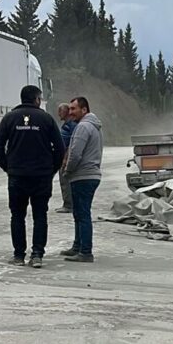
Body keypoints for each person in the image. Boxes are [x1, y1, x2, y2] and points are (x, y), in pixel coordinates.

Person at [0, 85, 64, 268]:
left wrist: (8, 167)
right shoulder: (46, 119)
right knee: (40, 215)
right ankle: (37, 255)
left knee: (17, 215)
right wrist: (51, 170)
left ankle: (18, 255)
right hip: (41, 176)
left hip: (17, 176)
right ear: (36, 99)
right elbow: (60, 148)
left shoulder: (9, 118)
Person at [61, 96, 103, 263]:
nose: (70, 112)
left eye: (73, 109)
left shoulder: (83, 127)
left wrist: (67, 170)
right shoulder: (94, 126)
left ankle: (85, 252)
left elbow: (75, 153)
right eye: (69, 109)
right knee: (79, 212)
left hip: (82, 176)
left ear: (84, 110)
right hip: (91, 174)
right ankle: (77, 246)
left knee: (82, 214)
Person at [56, 103, 77, 213]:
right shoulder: (67, 124)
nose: (58, 113)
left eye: (60, 110)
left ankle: (68, 205)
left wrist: (65, 159)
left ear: (66, 111)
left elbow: (72, 142)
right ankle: (69, 204)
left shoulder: (71, 124)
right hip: (64, 156)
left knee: (65, 181)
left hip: (67, 157)